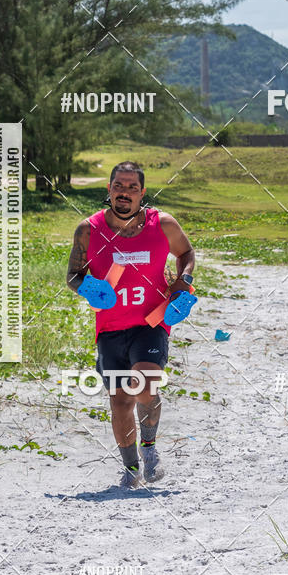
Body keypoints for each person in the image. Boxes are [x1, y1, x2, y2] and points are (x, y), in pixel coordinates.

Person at [66, 160, 195, 488]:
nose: (125, 193)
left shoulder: (162, 224)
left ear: (142, 193)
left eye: (132, 188)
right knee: (120, 399)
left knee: (145, 384)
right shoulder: (88, 230)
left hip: (150, 322)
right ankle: (132, 468)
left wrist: (184, 281)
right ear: (108, 190)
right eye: (119, 187)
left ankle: (150, 449)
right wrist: (86, 286)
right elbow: (73, 274)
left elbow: (186, 253)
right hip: (110, 327)